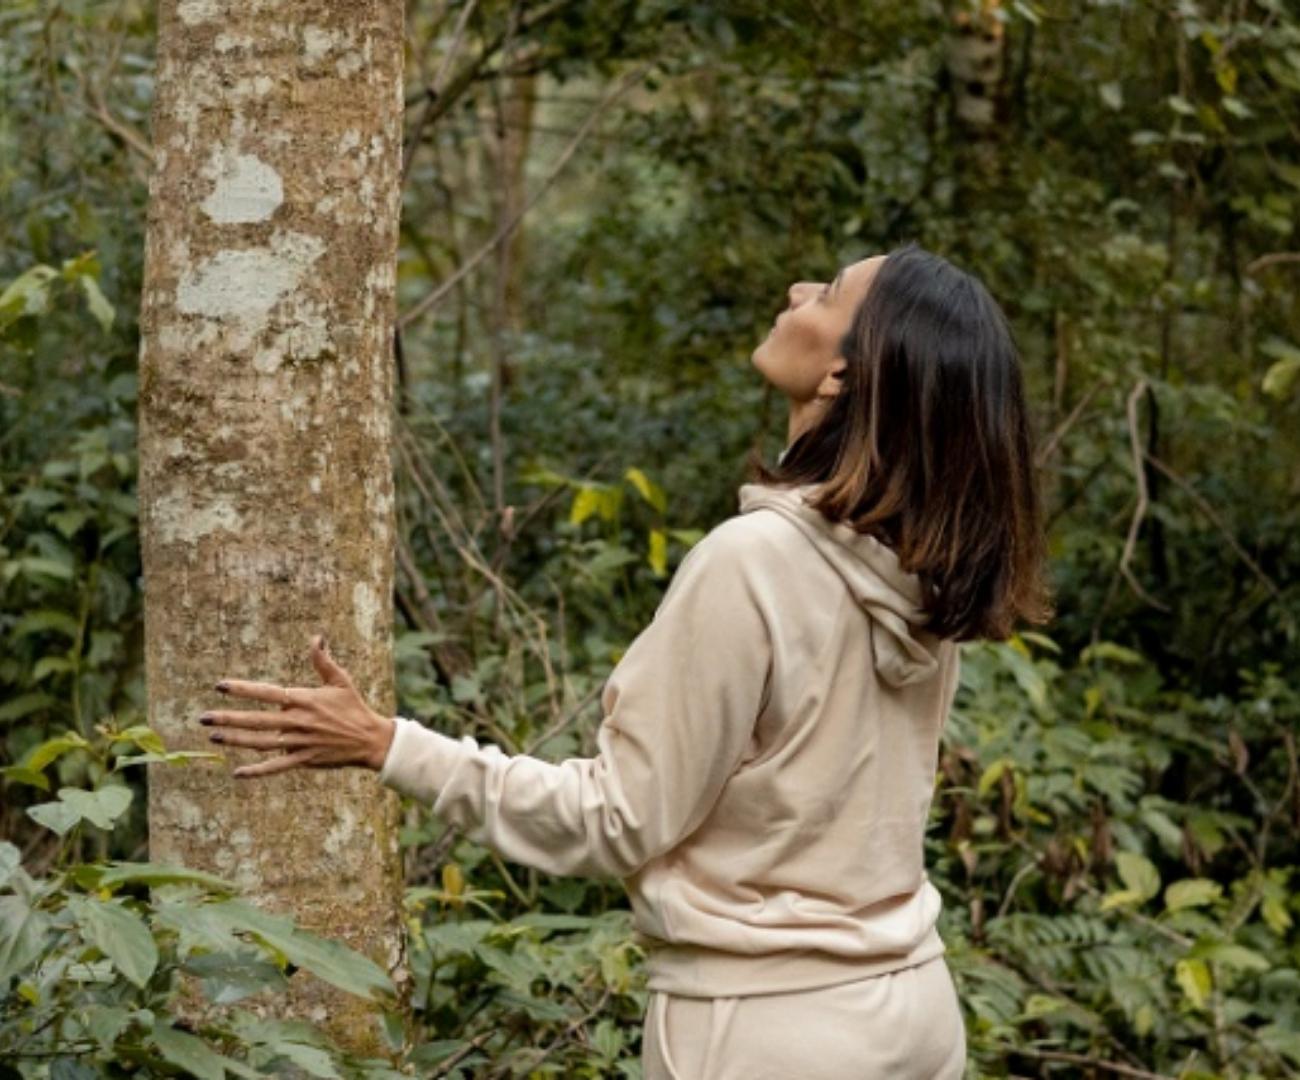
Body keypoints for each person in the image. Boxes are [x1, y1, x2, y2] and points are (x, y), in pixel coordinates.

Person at [203, 239, 1054, 1078]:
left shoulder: (753, 562)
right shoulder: (922, 574)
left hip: (766, 1030)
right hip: (916, 1010)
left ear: (842, 375)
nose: (796, 289)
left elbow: (617, 819)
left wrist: (387, 745)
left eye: (827, 293)